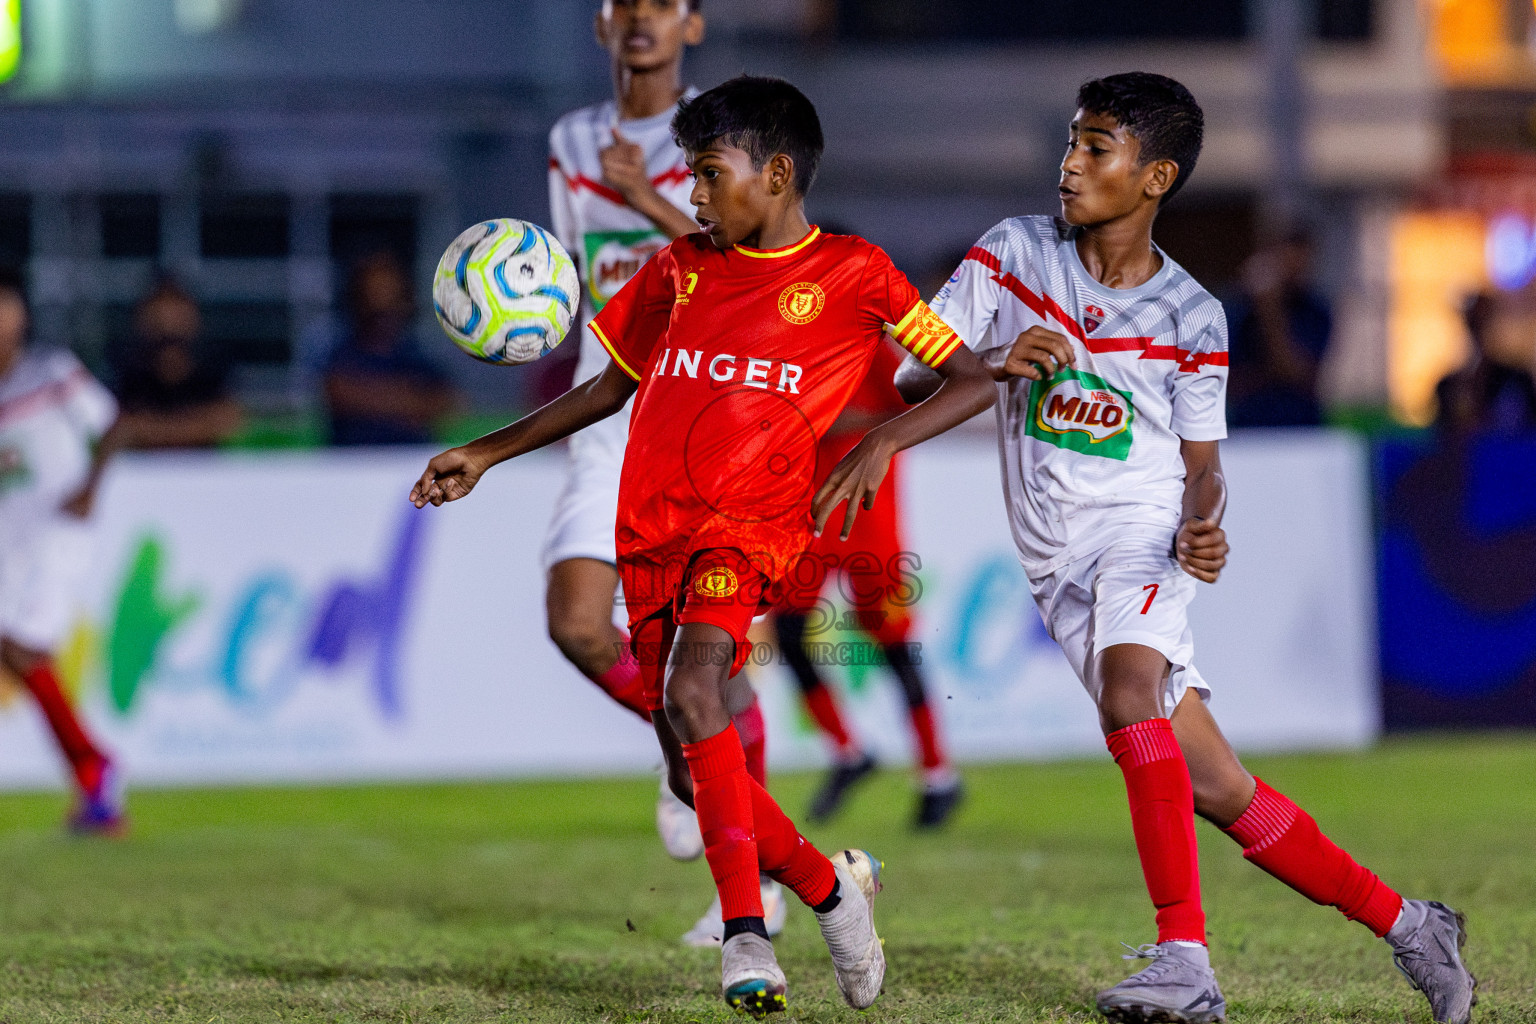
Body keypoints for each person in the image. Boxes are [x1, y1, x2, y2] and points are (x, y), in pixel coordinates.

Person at [892, 73, 1476, 1024]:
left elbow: (1203, 465)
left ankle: (1184, 957)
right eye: (1072, 144)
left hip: (1143, 534)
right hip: (1055, 563)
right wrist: (984, 360)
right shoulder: (1012, 252)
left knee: (1131, 695)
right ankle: (1413, 926)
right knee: (1215, 784)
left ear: (1154, 176)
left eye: (1095, 149)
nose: (1070, 165)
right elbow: (922, 362)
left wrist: (1202, 521)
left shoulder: (1191, 317)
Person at [412, 76, 996, 1016]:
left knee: (693, 692)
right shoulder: (676, 270)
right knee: (692, 757)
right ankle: (831, 889)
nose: (691, 195)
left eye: (707, 174)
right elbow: (605, 391)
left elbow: (970, 378)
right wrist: (484, 452)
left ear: (774, 173)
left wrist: (882, 439)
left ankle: (744, 938)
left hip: (751, 528)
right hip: (651, 529)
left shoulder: (857, 273)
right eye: (688, 177)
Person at [545, 0, 780, 948]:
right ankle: (684, 737)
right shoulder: (568, 138)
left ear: (694, 25)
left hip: (703, 419)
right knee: (574, 624)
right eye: (622, 4)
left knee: (708, 670)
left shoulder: (724, 137)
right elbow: (576, 275)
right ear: (601, 26)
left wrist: (647, 199)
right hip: (608, 407)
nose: (639, 16)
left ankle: (754, 894)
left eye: (661, 4)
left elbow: (754, 269)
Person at [773, 335, 963, 827]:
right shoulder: (786, 340)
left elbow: (909, 411)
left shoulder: (871, 346)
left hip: (868, 521)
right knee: (788, 635)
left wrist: (829, 423)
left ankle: (938, 775)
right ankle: (848, 752)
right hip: (808, 519)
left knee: (895, 647)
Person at [0, 269, 127, 834]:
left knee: (22, 646)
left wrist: (89, 490)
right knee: (17, 652)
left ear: (21, 314)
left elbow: (115, 425)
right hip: (12, 537)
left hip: (60, 530)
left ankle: (95, 767)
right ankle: (92, 779)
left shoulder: (50, 373)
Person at [324, 252, 457, 446]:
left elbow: (448, 403)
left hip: (411, 464)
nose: (382, 307)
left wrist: (372, 397)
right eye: (373, 296)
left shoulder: (416, 356)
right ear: (357, 300)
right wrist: (411, 400)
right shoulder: (339, 353)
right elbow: (337, 393)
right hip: (352, 466)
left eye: (390, 297)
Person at [112, 278, 243, 449]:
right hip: (142, 472)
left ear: (193, 314)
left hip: (205, 471)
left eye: (176, 308)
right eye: (159, 308)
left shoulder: (213, 367)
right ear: (142, 316)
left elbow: (227, 421)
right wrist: (194, 427)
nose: (167, 320)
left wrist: (155, 431)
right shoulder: (128, 369)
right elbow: (119, 426)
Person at [1225, 226, 1332, 427]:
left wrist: (1270, 310)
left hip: (1301, 427)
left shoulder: (1316, 312)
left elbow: (1298, 372)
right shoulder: (1239, 310)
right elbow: (1227, 381)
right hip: (1249, 429)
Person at [1435, 291, 1536, 437]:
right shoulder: (1447, 385)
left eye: (1483, 318)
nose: (1478, 327)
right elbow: (1442, 437)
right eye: (1473, 320)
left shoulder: (1516, 380)